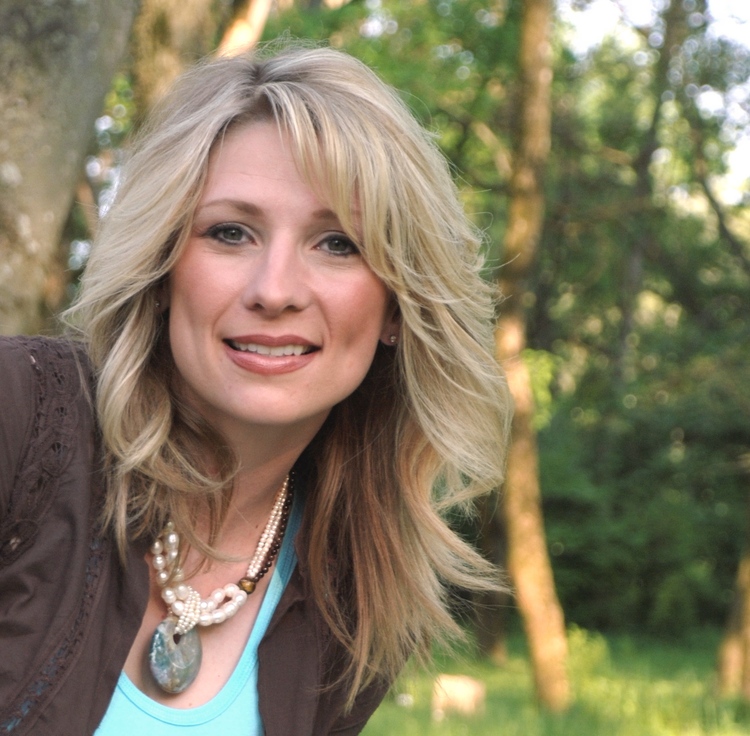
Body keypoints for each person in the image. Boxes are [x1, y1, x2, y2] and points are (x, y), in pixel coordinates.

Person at [0, 44, 511, 735]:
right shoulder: (20, 417)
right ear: (161, 268)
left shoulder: (356, 597)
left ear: (398, 305)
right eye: (231, 233)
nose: (274, 291)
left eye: (338, 244)